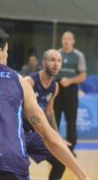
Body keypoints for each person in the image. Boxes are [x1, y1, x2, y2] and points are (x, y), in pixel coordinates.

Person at [0, 27, 90, 180]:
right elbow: (48, 135)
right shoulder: (19, 81)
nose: (7, 55)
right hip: (11, 164)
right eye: (7, 51)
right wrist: (82, 175)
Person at [24, 49, 69, 180]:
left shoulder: (55, 87)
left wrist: (57, 136)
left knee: (60, 163)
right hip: (19, 134)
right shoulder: (30, 82)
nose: (56, 64)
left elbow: (49, 111)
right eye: (52, 60)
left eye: (59, 61)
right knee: (20, 170)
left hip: (35, 135)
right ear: (44, 62)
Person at [55, 31, 87, 152]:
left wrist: (70, 80)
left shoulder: (78, 55)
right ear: (62, 40)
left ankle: (70, 148)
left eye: (69, 39)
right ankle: (55, 148)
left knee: (71, 120)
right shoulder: (57, 54)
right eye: (64, 38)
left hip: (71, 90)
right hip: (57, 88)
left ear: (73, 41)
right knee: (55, 119)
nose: (66, 41)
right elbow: (51, 71)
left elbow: (83, 76)